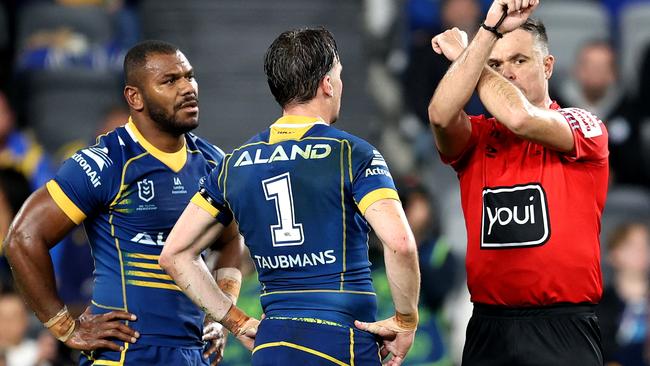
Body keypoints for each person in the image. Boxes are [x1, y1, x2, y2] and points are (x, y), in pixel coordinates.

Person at [160, 28, 421, 366]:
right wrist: (405, 321)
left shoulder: (234, 163)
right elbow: (401, 243)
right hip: (341, 341)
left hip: (272, 345)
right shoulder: (352, 153)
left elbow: (174, 254)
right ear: (327, 83)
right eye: (339, 76)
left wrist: (236, 322)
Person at [4, 40, 243, 365]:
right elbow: (23, 238)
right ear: (135, 97)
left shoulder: (214, 163)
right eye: (170, 81)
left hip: (192, 355)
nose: (188, 88)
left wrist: (220, 315)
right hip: (124, 354)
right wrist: (66, 328)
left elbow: (230, 240)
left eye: (190, 76)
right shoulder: (105, 163)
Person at [427, 0, 608, 365]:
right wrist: (484, 38)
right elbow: (441, 116)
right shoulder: (478, 138)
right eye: (495, 64)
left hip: (563, 328)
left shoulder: (583, 125)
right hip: (488, 326)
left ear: (548, 65)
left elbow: (520, 118)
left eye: (519, 61)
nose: (506, 73)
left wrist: (466, 56)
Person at [597, 222, 650, 366]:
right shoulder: (600, 305)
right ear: (613, 255)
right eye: (631, 245)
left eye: (645, 244)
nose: (641, 251)